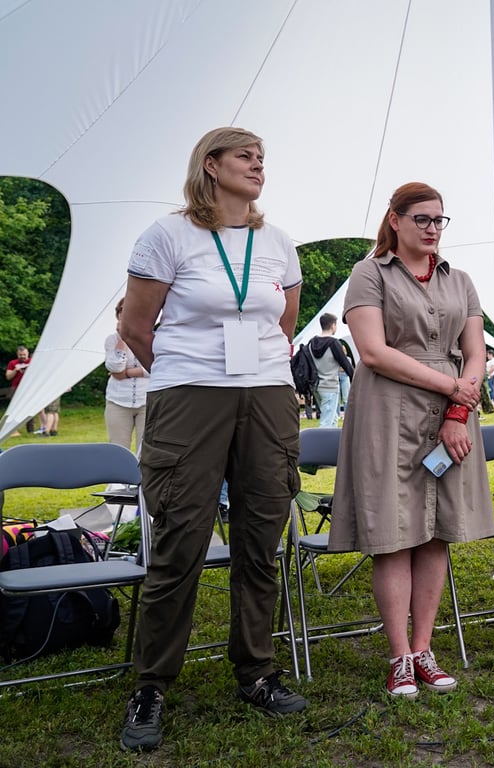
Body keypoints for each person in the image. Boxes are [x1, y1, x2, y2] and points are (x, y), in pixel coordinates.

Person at [117, 127, 308, 752]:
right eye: (245, 156)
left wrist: (254, 372)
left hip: (269, 393)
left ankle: (255, 672)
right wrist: (181, 369)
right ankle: (151, 685)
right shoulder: (168, 235)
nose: (258, 166)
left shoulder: (277, 243)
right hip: (188, 394)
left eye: (262, 158)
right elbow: (136, 325)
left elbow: (284, 324)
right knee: (181, 539)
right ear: (211, 165)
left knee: (260, 537)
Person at [328, 181, 493, 699]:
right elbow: (373, 351)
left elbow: (474, 355)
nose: (432, 229)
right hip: (387, 413)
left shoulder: (460, 280)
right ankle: (398, 657)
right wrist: (449, 386)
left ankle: (425, 649)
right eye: (422, 219)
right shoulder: (369, 273)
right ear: (395, 220)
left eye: (440, 220)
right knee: (393, 534)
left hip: (451, 413)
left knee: (438, 532)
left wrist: (458, 411)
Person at [104, 298, 149, 450]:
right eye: (123, 310)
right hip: (118, 401)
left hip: (146, 400)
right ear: (119, 315)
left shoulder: (153, 337)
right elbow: (116, 367)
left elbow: (156, 367)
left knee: (145, 449)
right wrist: (123, 338)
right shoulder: (112, 340)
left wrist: (128, 373)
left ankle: (142, 476)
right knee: (118, 449)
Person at [307, 312, 355, 428]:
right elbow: (346, 364)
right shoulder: (334, 343)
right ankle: (321, 445)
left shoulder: (311, 342)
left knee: (333, 419)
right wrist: (356, 379)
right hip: (330, 386)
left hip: (316, 386)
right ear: (333, 325)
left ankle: (332, 445)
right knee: (327, 422)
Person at [4, 345, 37, 435]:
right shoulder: (13, 363)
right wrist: (16, 370)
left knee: (29, 408)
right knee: (14, 409)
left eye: (24, 354)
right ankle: (13, 430)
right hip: (16, 388)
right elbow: (8, 376)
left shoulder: (33, 362)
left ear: (27, 354)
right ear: (17, 354)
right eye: (20, 354)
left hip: (29, 388)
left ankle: (30, 430)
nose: (22, 356)